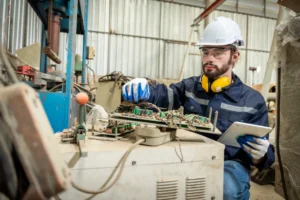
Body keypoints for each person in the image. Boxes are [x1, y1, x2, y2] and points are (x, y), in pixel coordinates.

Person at [122, 16, 274, 200]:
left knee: (227, 189)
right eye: (205, 51)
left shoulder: (253, 101)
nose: (209, 58)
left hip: (229, 163)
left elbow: (262, 158)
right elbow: (164, 95)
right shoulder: (189, 88)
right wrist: (145, 88)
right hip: (187, 155)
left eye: (218, 52)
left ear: (235, 57)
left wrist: (261, 155)